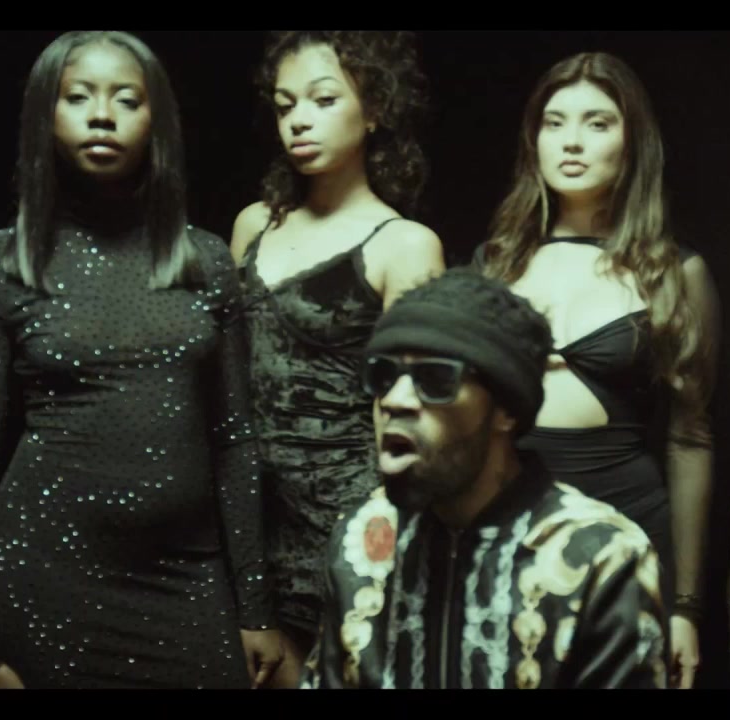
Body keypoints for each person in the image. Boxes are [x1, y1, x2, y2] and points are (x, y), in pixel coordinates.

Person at [0, 31, 275, 689]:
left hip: (188, 581)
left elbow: (234, 442)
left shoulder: (206, 262)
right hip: (48, 584)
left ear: (157, 122)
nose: (101, 115)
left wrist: (255, 605)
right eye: (78, 97)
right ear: (45, 115)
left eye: (126, 98)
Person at [472, 51, 719, 687]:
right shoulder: (493, 263)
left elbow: (691, 439)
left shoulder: (674, 272)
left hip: (628, 526)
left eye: (598, 123)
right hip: (508, 529)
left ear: (633, 142)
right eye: (554, 123)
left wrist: (687, 605)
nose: (572, 141)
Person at [300, 268, 670, 689]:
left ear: (505, 411)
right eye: (384, 376)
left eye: (435, 379)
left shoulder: (603, 557)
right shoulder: (361, 540)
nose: (395, 400)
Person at [230, 31, 445, 687]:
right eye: (285, 104)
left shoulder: (403, 245)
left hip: (353, 523)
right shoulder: (252, 226)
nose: (299, 119)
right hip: (251, 523)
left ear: (373, 109)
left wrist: (388, 542)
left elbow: (413, 414)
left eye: (323, 100)